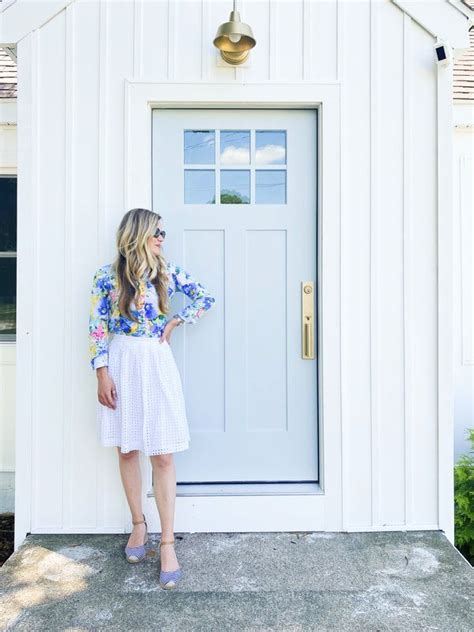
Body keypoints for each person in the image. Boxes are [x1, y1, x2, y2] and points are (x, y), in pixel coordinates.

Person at [88, 208, 215, 589]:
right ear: (137, 233)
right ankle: (138, 526)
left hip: (156, 362)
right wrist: (101, 372)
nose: (162, 236)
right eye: (156, 230)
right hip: (121, 361)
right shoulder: (106, 277)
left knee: (162, 454)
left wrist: (176, 320)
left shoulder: (168, 272)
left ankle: (168, 542)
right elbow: (96, 327)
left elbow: (205, 297)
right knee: (127, 450)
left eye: (163, 231)